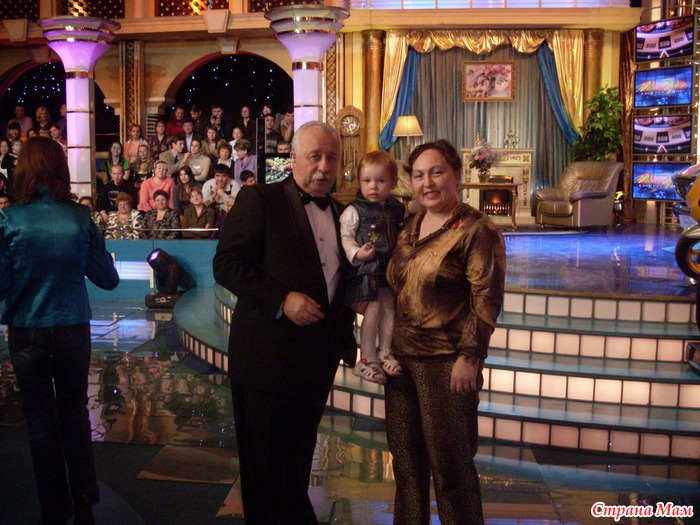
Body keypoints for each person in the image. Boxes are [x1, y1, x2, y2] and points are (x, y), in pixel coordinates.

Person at [212, 121, 357, 525]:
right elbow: (226, 265)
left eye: (332, 158)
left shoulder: (343, 214)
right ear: (293, 159)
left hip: (317, 358)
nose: (324, 166)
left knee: (297, 455)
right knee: (263, 463)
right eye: (315, 156)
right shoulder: (260, 199)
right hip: (266, 357)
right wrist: (282, 300)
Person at [385, 139, 506, 525]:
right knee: (406, 468)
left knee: (451, 471)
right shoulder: (409, 225)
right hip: (401, 362)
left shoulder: (477, 229)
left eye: (436, 172)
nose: (427, 183)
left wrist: (471, 357)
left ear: (456, 174)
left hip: (446, 364)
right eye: (419, 175)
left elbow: (486, 298)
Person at [0, 136, 119, 525]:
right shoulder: (80, 217)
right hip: (72, 326)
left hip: (27, 328)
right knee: (74, 411)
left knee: (39, 419)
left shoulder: (9, 219)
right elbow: (108, 279)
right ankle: (84, 495)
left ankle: (53, 507)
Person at [340, 150, 405, 385]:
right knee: (373, 310)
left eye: (380, 180)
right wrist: (357, 253)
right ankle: (367, 356)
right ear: (359, 182)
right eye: (367, 180)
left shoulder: (397, 208)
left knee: (390, 308)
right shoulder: (354, 210)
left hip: (390, 269)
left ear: (393, 182)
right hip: (367, 270)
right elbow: (346, 236)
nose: (373, 187)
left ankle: (385, 351)